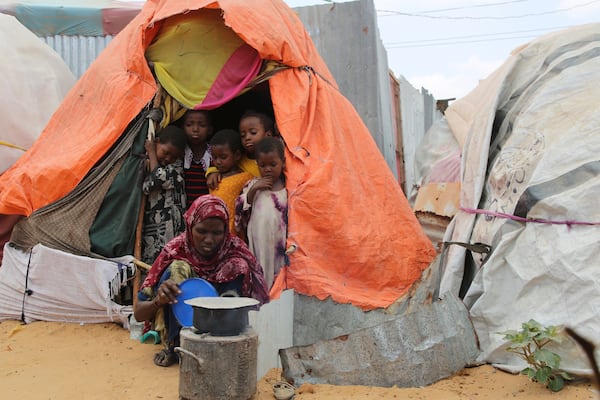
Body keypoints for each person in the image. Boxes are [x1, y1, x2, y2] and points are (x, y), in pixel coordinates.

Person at [134, 195, 269, 367]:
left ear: (225, 232)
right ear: (190, 228)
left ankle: (226, 341)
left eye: (217, 233)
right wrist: (158, 301)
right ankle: (176, 345)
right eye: (202, 231)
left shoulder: (236, 251)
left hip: (222, 324)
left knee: (237, 266)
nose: (209, 240)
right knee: (177, 268)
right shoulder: (175, 250)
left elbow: (258, 306)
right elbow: (138, 314)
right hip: (183, 324)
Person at [235, 137, 288, 289]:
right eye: (263, 165)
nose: (268, 169)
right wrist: (254, 189)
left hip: (280, 245)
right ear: (257, 164)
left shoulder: (288, 190)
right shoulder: (252, 186)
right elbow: (240, 212)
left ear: (283, 162)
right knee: (260, 275)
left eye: (273, 164)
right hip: (259, 245)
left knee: (279, 279)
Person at [141, 125, 188, 265]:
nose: (168, 158)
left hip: (172, 230)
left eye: (173, 156)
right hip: (153, 229)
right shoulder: (146, 164)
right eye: (165, 152)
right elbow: (147, 186)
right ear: (157, 142)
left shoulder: (177, 170)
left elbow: (158, 177)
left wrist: (152, 152)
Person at [207, 110, 274, 190]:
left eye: (253, 132)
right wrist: (213, 173)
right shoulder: (239, 160)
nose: (247, 138)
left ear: (268, 135)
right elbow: (219, 165)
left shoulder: (275, 156)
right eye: (243, 135)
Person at [209, 129, 254, 236]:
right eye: (215, 158)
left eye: (223, 157)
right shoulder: (214, 177)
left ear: (237, 155)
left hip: (234, 229)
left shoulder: (245, 178)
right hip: (214, 229)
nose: (218, 162)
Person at [180, 109, 214, 209]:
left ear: (210, 130)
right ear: (182, 128)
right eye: (189, 125)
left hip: (206, 213)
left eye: (202, 125)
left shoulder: (216, 155)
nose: (195, 129)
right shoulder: (178, 154)